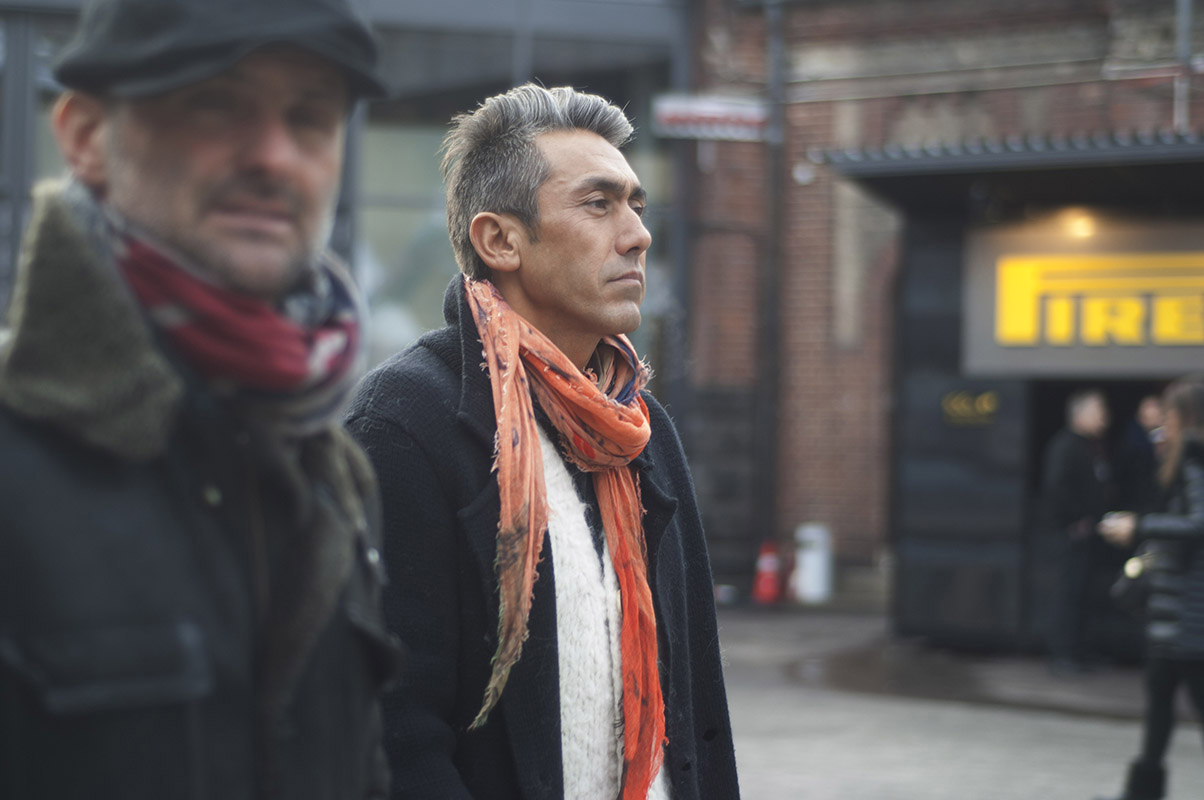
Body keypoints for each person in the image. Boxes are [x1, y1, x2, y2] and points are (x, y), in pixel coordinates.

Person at [0, 1, 401, 797]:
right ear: (85, 137)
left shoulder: (335, 474)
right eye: (215, 102)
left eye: (310, 117)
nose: (273, 156)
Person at [345, 83, 741, 799]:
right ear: (501, 241)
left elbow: (698, 705)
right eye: (598, 204)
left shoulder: (642, 428)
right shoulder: (405, 423)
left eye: (636, 204)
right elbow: (392, 732)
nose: (638, 235)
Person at [1095, 376, 1204, 800]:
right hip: (1174, 611)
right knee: (1159, 704)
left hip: (1190, 614)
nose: (1162, 419)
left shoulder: (1195, 458)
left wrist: (1139, 526)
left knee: (1173, 702)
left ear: (1186, 416)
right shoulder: (1178, 457)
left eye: (1168, 412)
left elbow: (1198, 523)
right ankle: (1141, 793)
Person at [1041, 388, 1112, 674]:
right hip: (1071, 534)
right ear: (1079, 415)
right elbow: (1056, 488)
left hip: (1089, 532)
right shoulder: (1065, 446)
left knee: (1084, 594)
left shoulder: (1091, 446)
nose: (1104, 418)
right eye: (1098, 411)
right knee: (1068, 594)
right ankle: (1062, 654)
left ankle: (1080, 651)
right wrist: (1075, 520)